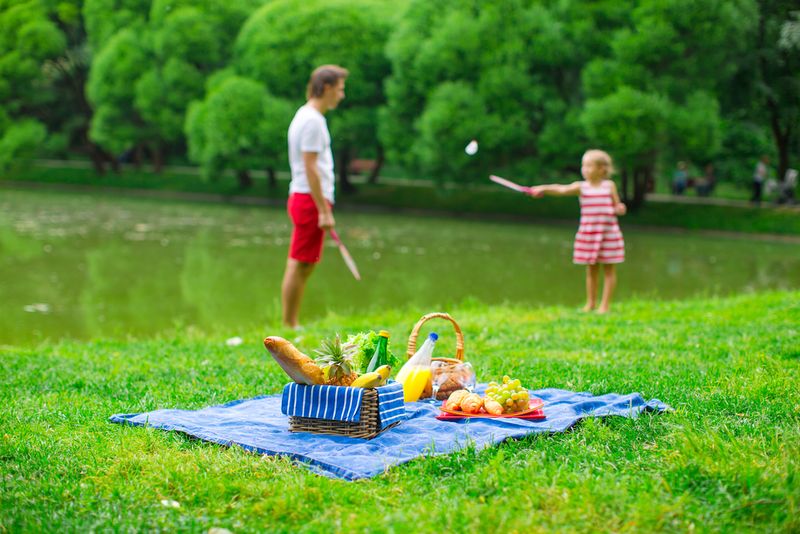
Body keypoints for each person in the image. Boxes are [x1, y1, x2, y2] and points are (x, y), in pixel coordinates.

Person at [281, 65, 348, 329]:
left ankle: (291, 322)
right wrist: (323, 210)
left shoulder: (308, 116)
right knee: (300, 263)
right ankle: (290, 324)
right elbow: (310, 167)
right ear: (327, 88)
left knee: (305, 263)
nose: (342, 95)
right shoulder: (312, 121)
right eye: (340, 89)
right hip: (309, 200)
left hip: (309, 198)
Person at [529, 149, 626, 314]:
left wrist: (620, 208)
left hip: (608, 234)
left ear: (602, 169)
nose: (584, 169)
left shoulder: (609, 186)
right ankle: (591, 303)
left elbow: (617, 205)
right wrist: (543, 188)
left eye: (589, 166)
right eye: (583, 166)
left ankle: (605, 306)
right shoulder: (581, 187)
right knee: (591, 270)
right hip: (589, 235)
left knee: (609, 270)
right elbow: (561, 189)